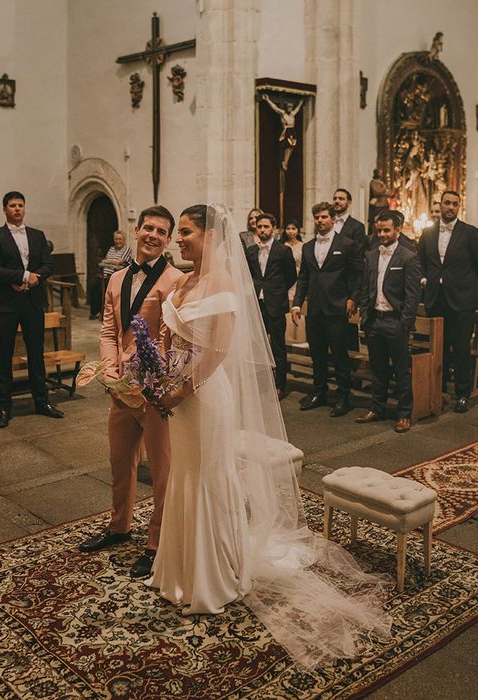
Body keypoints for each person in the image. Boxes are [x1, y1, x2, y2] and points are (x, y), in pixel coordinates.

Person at [148, 203, 391, 669]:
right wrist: (157, 374)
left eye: (187, 232)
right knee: (183, 477)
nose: (180, 240)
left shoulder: (222, 284)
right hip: (177, 391)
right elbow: (166, 333)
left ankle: (214, 577)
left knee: (208, 479)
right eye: (178, 232)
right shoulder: (184, 280)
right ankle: (177, 571)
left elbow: (216, 351)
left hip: (202, 395)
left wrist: (178, 391)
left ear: (213, 237)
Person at [79, 205, 183, 578]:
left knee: (161, 470)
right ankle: (119, 526)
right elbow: (109, 331)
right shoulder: (117, 278)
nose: (153, 235)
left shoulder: (175, 281)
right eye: (148, 228)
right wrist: (110, 372)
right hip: (120, 390)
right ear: (136, 231)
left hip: (154, 393)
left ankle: (156, 542)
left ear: (168, 240)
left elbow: (173, 341)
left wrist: (158, 381)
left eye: (162, 231)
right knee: (119, 462)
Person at [0, 191, 63, 428]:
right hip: (6, 304)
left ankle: (42, 401)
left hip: (33, 302)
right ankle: (3, 407)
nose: (17, 209)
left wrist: (36, 279)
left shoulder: (37, 235)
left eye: (20, 205)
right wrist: (22, 276)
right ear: (5, 209)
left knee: (36, 354)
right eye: (12, 205)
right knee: (4, 356)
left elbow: (48, 264)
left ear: (24, 208)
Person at [417, 190, 478, 413]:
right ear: (440, 205)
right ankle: (439, 391)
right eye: (447, 203)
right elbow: (420, 261)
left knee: (460, 349)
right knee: (439, 349)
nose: (450, 207)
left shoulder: (470, 233)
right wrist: (423, 278)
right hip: (436, 299)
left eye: (454, 204)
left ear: (459, 207)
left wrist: (471, 290)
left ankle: (462, 394)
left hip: (462, 300)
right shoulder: (428, 233)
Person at [292, 202, 364, 417]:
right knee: (318, 355)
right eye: (317, 217)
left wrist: (353, 298)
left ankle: (343, 398)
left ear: (333, 219)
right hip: (314, 309)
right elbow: (303, 277)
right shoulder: (307, 246)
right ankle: (319, 392)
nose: (320, 221)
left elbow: (357, 274)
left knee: (340, 356)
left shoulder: (348, 244)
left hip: (337, 307)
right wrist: (297, 303)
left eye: (324, 217)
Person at [356, 210, 421, 432]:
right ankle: (377, 408)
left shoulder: (408, 257)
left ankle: (404, 414)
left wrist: (405, 322)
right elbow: (366, 287)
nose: (382, 234)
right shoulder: (371, 255)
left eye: (387, 230)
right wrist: (365, 315)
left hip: (395, 322)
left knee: (401, 371)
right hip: (375, 320)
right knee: (378, 369)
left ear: (397, 230)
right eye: (379, 230)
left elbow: (412, 295)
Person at [245, 212, 297, 398]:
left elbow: (292, 276)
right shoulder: (251, 251)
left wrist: (276, 290)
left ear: (273, 228)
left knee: (278, 347)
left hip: (275, 304)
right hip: (256, 305)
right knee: (257, 346)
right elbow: (249, 275)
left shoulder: (283, 251)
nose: (262, 230)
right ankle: (260, 384)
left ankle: (280, 385)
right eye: (259, 227)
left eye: (266, 226)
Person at [88, 230, 132, 320]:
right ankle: (94, 312)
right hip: (104, 274)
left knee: (102, 290)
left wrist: (108, 261)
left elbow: (119, 262)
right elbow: (107, 260)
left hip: (115, 276)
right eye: (116, 239)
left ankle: (104, 313)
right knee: (93, 286)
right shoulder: (112, 249)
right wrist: (110, 262)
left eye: (120, 239)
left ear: (124, 240)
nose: (118, 241)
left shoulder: (127, 249)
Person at [332, 187, 368, 257]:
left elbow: (358, 251)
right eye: (335, 198)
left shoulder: (358, 227)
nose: (337, 201)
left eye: (341, 199)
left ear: (349, 202)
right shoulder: (328, 223)